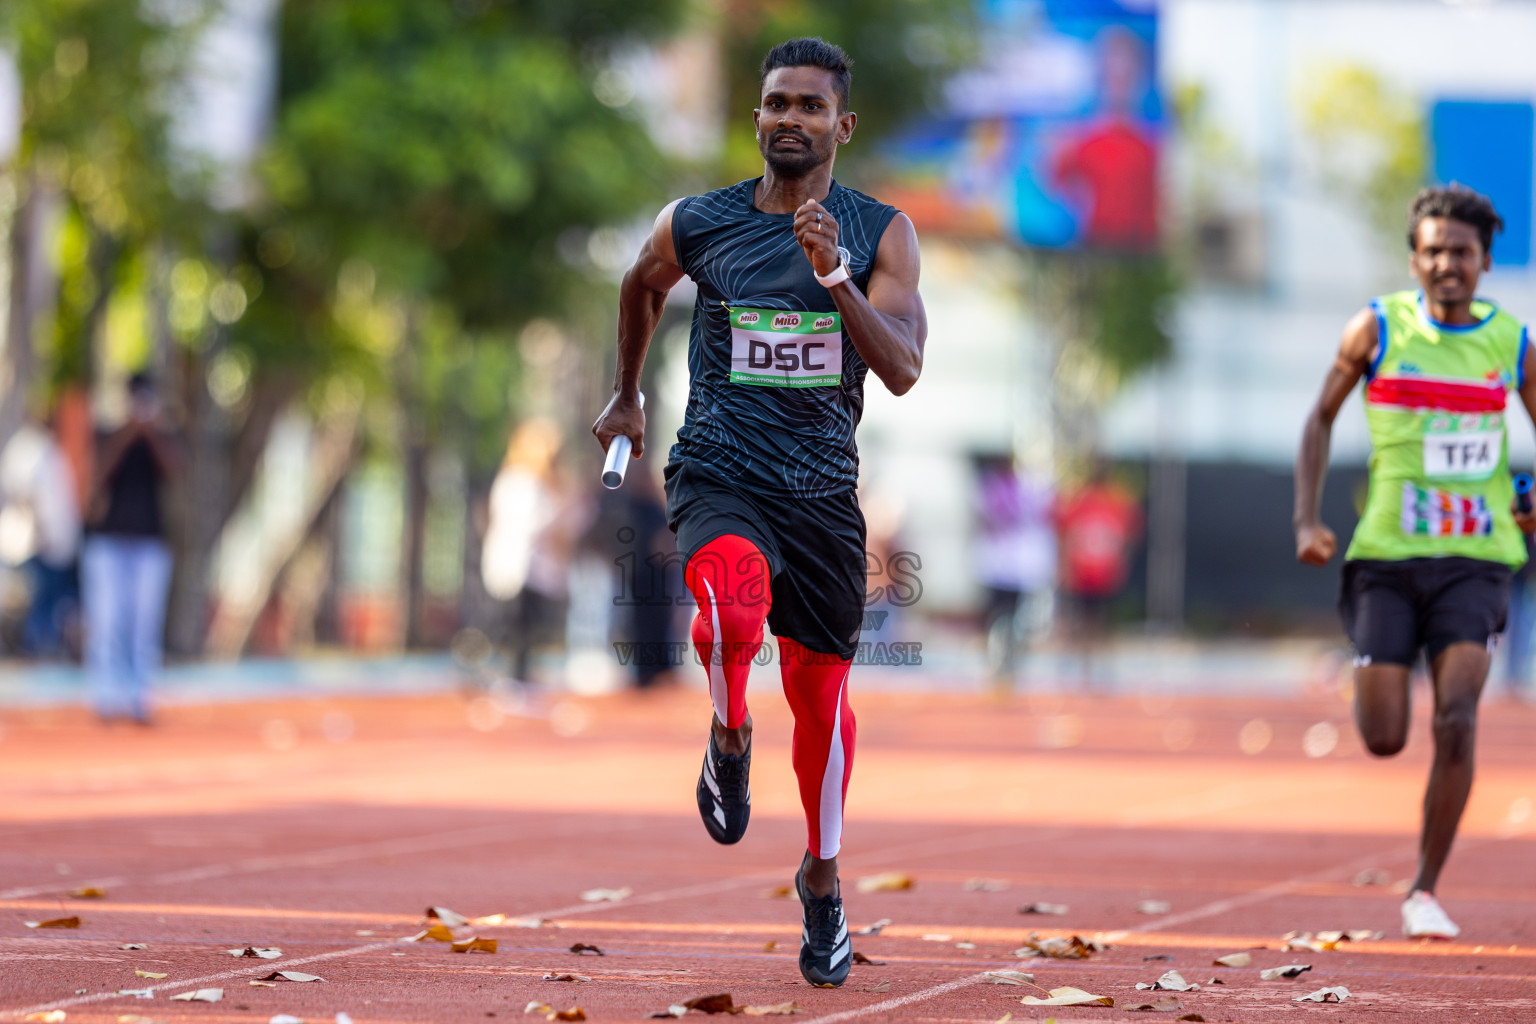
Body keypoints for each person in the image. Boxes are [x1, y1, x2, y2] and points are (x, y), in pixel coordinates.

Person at [591, 38, 926, 988]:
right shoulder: (701, 222)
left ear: (841, 127)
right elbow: (640, 281)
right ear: (757, 118)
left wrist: (833, 279)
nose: (791, 118)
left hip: (823, 496)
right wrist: (629, 396)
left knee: (822, 698)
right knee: (732, 601)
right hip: (720, 470)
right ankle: (729, 729)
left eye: (811, 107)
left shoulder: (881, 234)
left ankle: (821, 883)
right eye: (777, 103)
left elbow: (900, 369)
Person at [1294, 185, 1535, 940]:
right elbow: (1319, 418)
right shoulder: (1377, 329)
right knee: (1386, 735)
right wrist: (1307, 516)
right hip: (1386, 561)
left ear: (1485, 261)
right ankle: (1379, 682)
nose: (1446, 264)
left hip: (1477, 557)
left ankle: (1425, 888)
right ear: (1415, 259)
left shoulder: (1512, 344)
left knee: (1458, 721)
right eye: (1433, 251)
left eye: (1461, 252)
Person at [82, 373, 181, 724]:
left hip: (150, 543)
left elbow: (175, 472)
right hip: (108, 542)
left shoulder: (164, 435)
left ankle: (141, 698)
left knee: (144, 625)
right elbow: (96, 474)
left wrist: (151, 432)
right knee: (107, 622)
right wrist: (129, 430)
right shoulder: (109, 432)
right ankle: (107, 698)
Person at [1054, 460, 1141, 685]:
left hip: (1091, 569)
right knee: (1096, 620)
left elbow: (1065, 534)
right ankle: (1091, 665)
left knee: (1089, 620)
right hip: (1095, 569)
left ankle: (1090, 665)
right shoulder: (1114, 502)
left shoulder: (1088, 501)